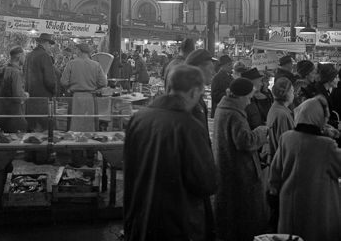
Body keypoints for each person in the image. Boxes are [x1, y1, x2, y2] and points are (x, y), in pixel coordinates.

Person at [124, 65, 217, 241]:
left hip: (140, 216)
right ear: (194, 92)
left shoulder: (139, 118)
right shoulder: (189, 126)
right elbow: (205, 183)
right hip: (177, 223)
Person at [268, 96, 341, 241]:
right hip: (317, 207)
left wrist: (273, 193)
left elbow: (275, 172)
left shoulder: (286, 138)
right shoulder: (326, 145)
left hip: (289, 205)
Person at [213, 78, 269, 241]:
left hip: (228, 166)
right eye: (249, 97)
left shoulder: (224, 108)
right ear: (241, 96)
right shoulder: (234, 114)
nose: (249, 101)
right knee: (242, 214)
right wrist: (261, 131)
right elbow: (245, 141)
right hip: (238, 170)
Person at [60, 42, 107, 132]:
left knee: (75, 125)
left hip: (75, 97)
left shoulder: (71, 63)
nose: (75, 51)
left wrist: (69, 87)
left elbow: (63, 81)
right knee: (89, 124)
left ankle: (75, 139)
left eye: (76, 49)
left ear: (80, 51)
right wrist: (94, 87)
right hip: (90, 97)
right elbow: (103, 82)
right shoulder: (96, 65)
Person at [0, 46, 28, 133]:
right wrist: (25, 95)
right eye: (24, 56)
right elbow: (18, 96)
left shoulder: (1, 70)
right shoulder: (16, 73)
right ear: (20, 56)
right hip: (11, 117)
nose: (25, 58)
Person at [24, 33, 57, 131]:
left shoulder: (29, 55)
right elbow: (50, 80)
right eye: (50, 45)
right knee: (45, 130)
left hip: (30, 98)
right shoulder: (45, 56)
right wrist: (54, 92)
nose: (50, 47)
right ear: (46, 43)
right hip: (43, 99)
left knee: (31, 128)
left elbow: (24, 74)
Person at [266, 77, 295, 163]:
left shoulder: (278, 109)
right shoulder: (281, 114)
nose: (294, 94)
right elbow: (285, 145)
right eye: (292, 91)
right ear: (286, 93)